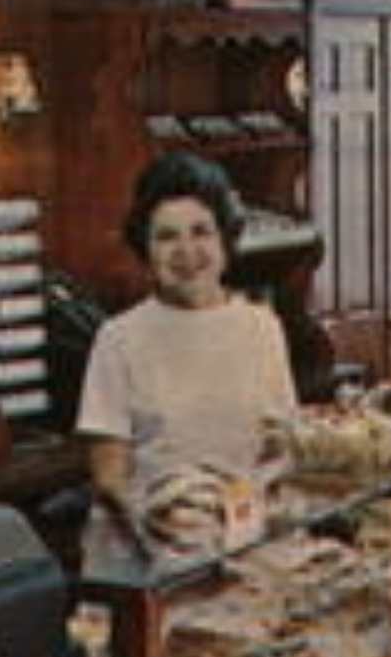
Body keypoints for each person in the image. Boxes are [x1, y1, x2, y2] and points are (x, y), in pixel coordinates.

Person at [75, 151, 298, 531]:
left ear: (225, 241)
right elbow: (109, 476)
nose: (186, 253)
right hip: (154, 543)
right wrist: (166, 522)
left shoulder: (262, 327)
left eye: (201, 232)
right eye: (166, 237)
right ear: (145, 250)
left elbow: (282, 448)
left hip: (248, 535)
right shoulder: (118, 339)